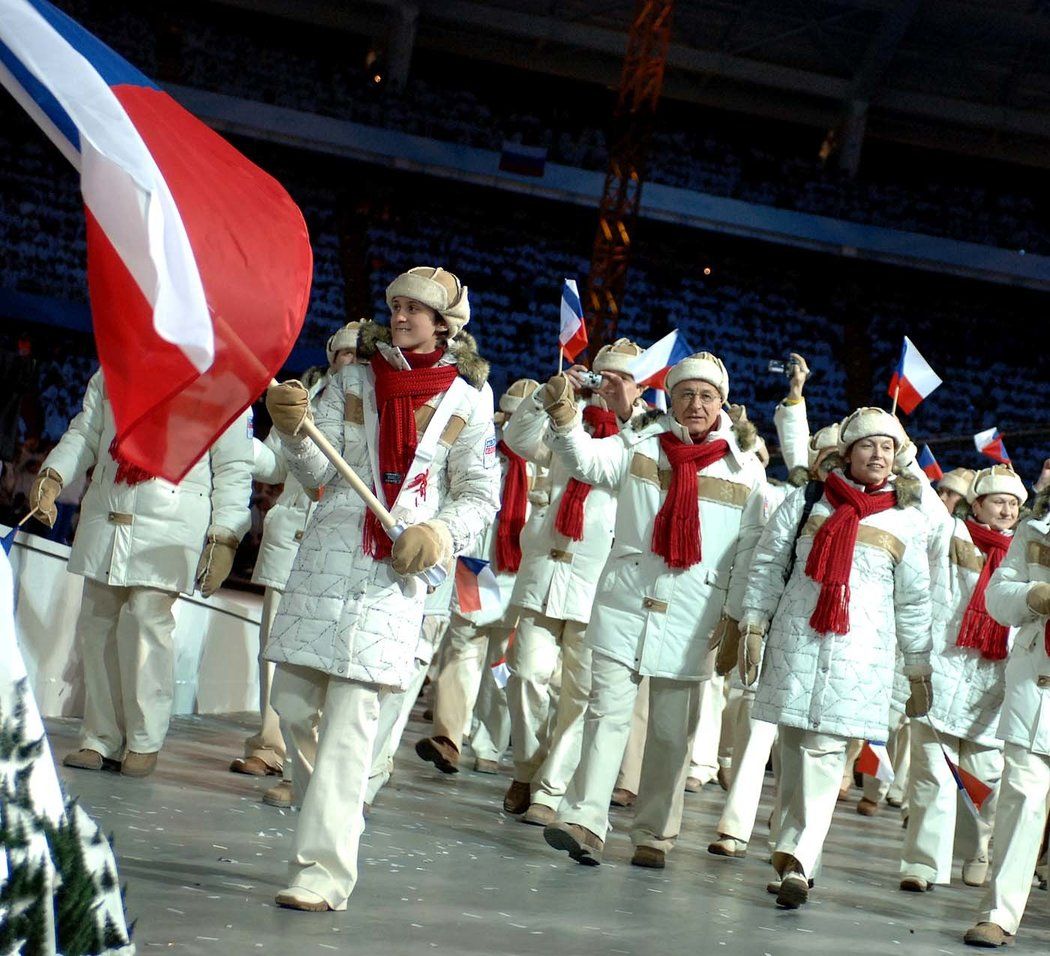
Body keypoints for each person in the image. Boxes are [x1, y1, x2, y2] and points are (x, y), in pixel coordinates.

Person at [262, 266, 499, 912]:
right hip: (326, 561)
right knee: (294, 707)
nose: (399, 316)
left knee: (348, 728)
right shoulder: (353, 378)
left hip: (393, 578)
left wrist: (440, 535)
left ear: (445, 324)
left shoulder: (470, 402)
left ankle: (322, 869)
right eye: (395, 306)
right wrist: (292, 429)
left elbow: (481, 497)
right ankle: (334, 824)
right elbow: (317, 471)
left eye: (414, 310)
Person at [540, 351, 766, 869]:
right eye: (686, 393)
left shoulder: (745, 469)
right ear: (670, 397)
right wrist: (565, 420)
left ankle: (655, 834)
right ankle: (584, 820)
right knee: (605, 714)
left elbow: (753, 552)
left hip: (694, 614)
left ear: (722, 404)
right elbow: (588, 463)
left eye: (707, 396)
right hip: (626, 601)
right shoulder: (640, 443)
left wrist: (737, 616)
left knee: (669, 733)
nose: (695, 403)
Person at [739, 407, 932, 908]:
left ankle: (801, 861)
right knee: (793, 753)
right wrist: (753, 624)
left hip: (858, 654)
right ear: (847, 454)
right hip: (796, 642)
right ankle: (786, 855)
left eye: (889, 448)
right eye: (870, 445)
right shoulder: (806, 502)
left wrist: (917, 664)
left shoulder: (907, 520)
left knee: (823, 755)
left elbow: (914, 600)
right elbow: (767, 562)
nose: (879, 455)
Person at [30, 371, 253, 777]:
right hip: (106, 513)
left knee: (146, 626)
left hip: (170, 525)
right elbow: (86, 431)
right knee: (97, 627)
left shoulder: (224, 378)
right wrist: (54, 474)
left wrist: (225, 536)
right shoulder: (119, 362)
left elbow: (235, 468)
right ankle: (99, 738)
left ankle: (143, 739)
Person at [499, 339, 644, 822]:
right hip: (546, 569)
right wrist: (548, 396)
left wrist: (623, 413)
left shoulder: (641, 440)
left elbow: (609, 459)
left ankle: (550, 789)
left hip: (598, 582)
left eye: (622, 377)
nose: (610, 385)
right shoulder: (570, 422)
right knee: (525, 675)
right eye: (605, 375)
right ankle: (527, 765)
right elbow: (519, 443)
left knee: (582, 698)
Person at [230, 322, 365, 780]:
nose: (348, 360)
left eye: (357, 354)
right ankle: (268, 746)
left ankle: (307, 765)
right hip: (290, 539)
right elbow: (273, 465)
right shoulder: (301, 395)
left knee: (323, 656)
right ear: (330, 357)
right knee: (274, 649)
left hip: (339, 544)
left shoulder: (373, 408)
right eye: (342, 352)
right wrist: (237, 437)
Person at [900, 465, 1027, 893]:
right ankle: (922, 865)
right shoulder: (951, 533)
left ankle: (979, 848)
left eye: (1014, 504)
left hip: (993, 683)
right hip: (945, 669)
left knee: (986, 779)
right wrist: (901, 454)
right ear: (977, 504)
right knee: (930, 775)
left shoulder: (1026, 552)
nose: (1007, 510)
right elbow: (924, 496)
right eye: (998, 502)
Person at [415, 378, 540, 774]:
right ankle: (449, 736)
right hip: (477, 565)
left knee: (503, 658)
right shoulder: (484, 453)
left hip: (524, 571)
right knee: (465, 642)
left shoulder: (549, 459)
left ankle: (489, 743)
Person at [963, 486, 1050, 947]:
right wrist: (1034, 595)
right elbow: (998, 597)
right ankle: (999, 912)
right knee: (1022, 796)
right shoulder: (1035, 529)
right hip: (1037, 677)